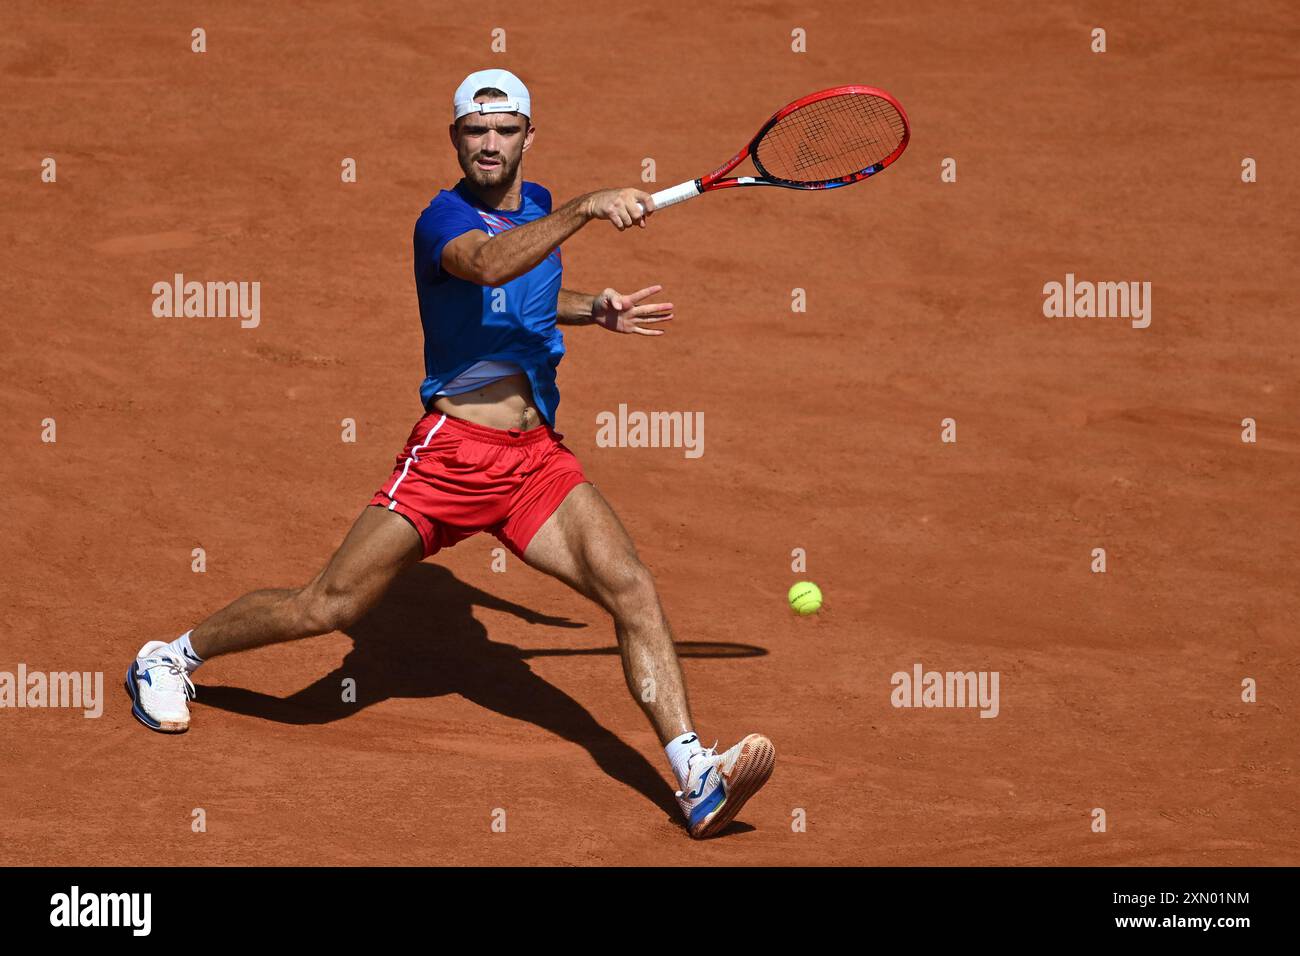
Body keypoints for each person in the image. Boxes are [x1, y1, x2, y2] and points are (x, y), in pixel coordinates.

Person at [125, 69, 775, 839]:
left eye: (506, 130)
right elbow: (488, 267)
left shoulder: (535, 208)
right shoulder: (443, 218)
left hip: (534, 462)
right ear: (456, 140)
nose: (490, 144)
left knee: (630, 585)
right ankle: (170, 657)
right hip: (452, 456)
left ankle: (693, 774)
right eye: (475, 131)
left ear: (530, 136)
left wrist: (589, 309)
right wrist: (589, 205)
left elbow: (523, 293)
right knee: (328, 607)